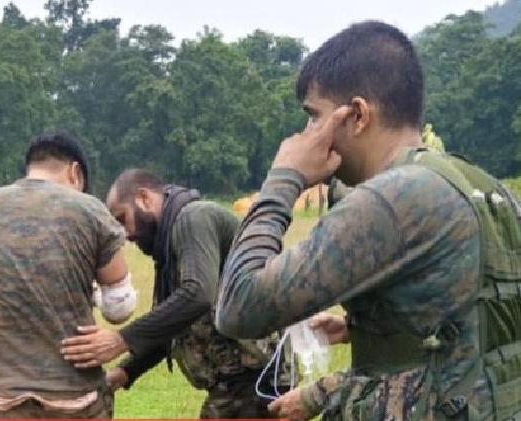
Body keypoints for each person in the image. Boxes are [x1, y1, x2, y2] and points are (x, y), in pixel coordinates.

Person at [214, 20, 521, 421]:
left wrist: (283, 179)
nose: (305, 135)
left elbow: (239, 306)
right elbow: (475, 319)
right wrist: (368, 329)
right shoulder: (485, 188)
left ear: (357, 115)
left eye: (314, 117)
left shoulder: (392, 198)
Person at [60, 168, 293, 419]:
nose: (125, 234)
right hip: (240, 381)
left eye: (122, 218)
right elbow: (170, 328)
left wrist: (120, 340)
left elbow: (198, 294)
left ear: (144, 198)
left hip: (257, 376)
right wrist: (123, 373)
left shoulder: (193, 218)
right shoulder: (170, 243)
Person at [0, 133, 138, 419]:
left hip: (3, 400)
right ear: (75, 172)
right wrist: (91, 292)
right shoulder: (90, 210)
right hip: (75, 397)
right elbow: (120, 307)